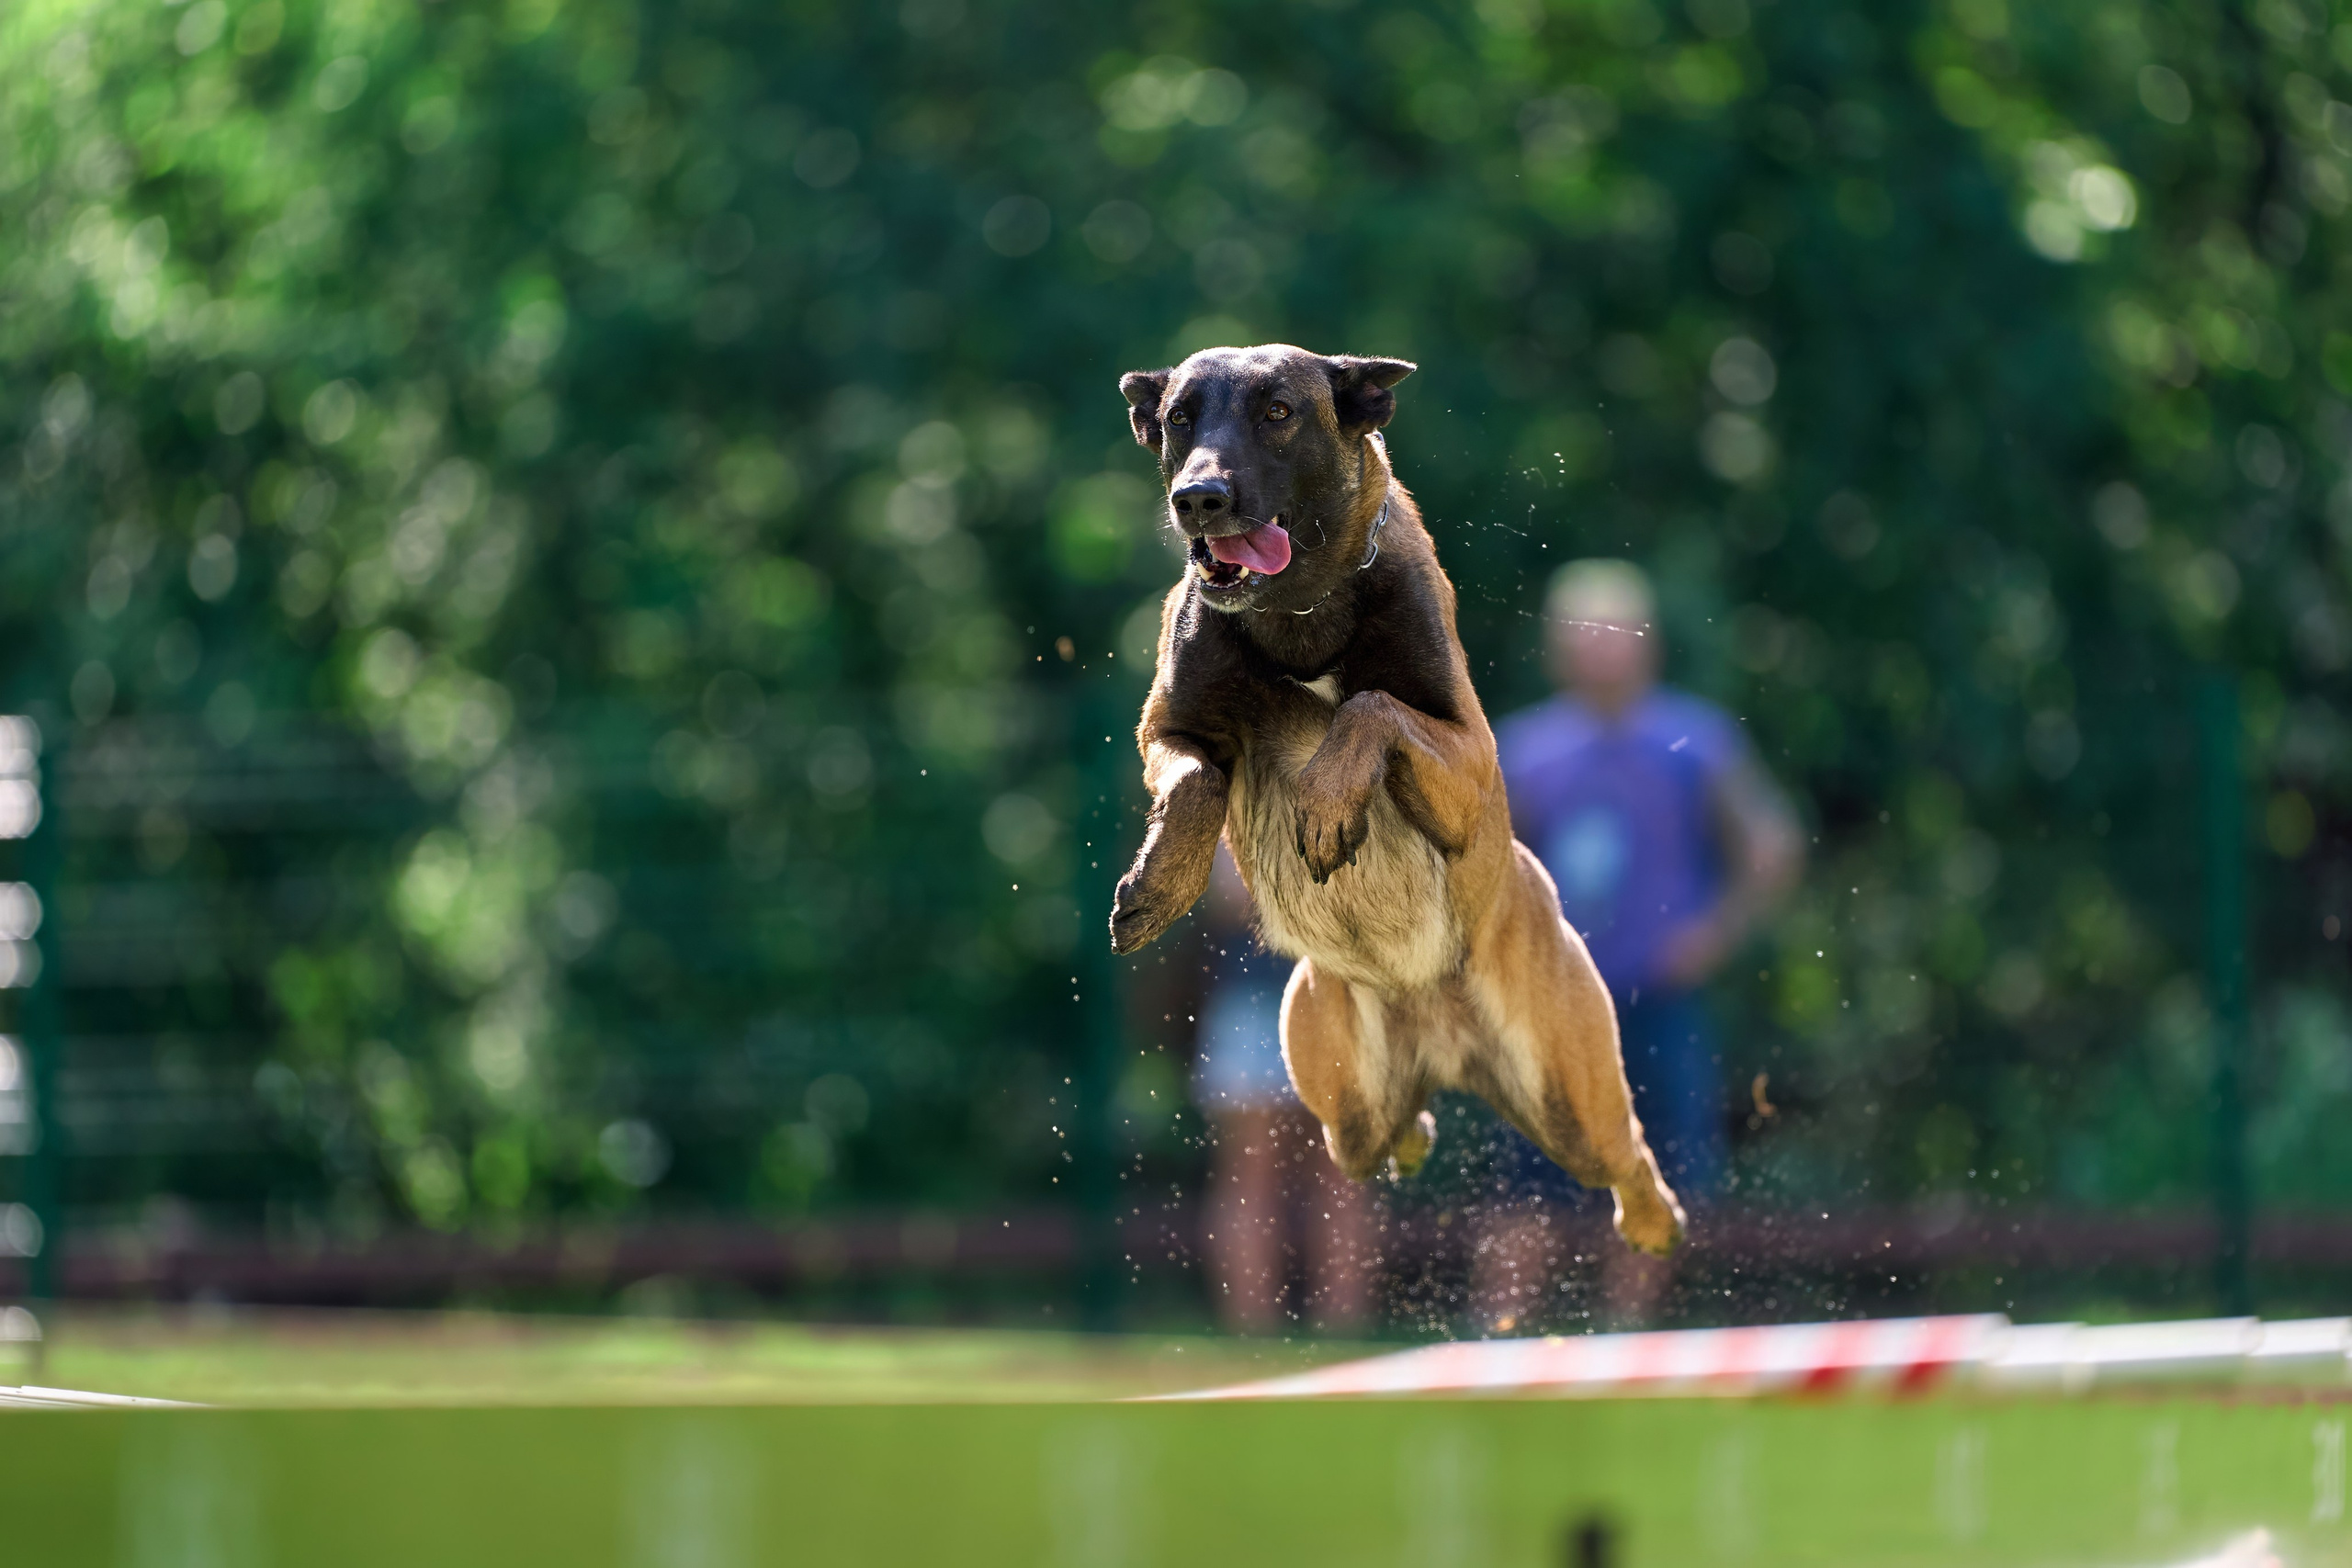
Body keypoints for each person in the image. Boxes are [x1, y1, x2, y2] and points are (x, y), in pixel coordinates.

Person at [1475, 558, 1803, 1332]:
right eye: (1583, 637)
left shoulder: (1695, 742)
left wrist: (1715, 933)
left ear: (1645, 644)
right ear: (1558, 650)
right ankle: (1499, 1339)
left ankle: (1624, 1338)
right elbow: (1479, 868)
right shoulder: (1524, 750)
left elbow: (1771, 847)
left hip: (1660, 998)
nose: (1599, 652)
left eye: (1613, 636)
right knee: (1529, 1182)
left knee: (1658, 1170)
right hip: (1551, 1004)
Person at [1193, 845, 1375, 1334]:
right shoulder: (1237, 781)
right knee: (1252, 1169)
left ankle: (1340, 1328)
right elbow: (1227, 897)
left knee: (1343, 1167)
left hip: (1337, 997)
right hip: (1257, 999)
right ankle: (1253, 1330)